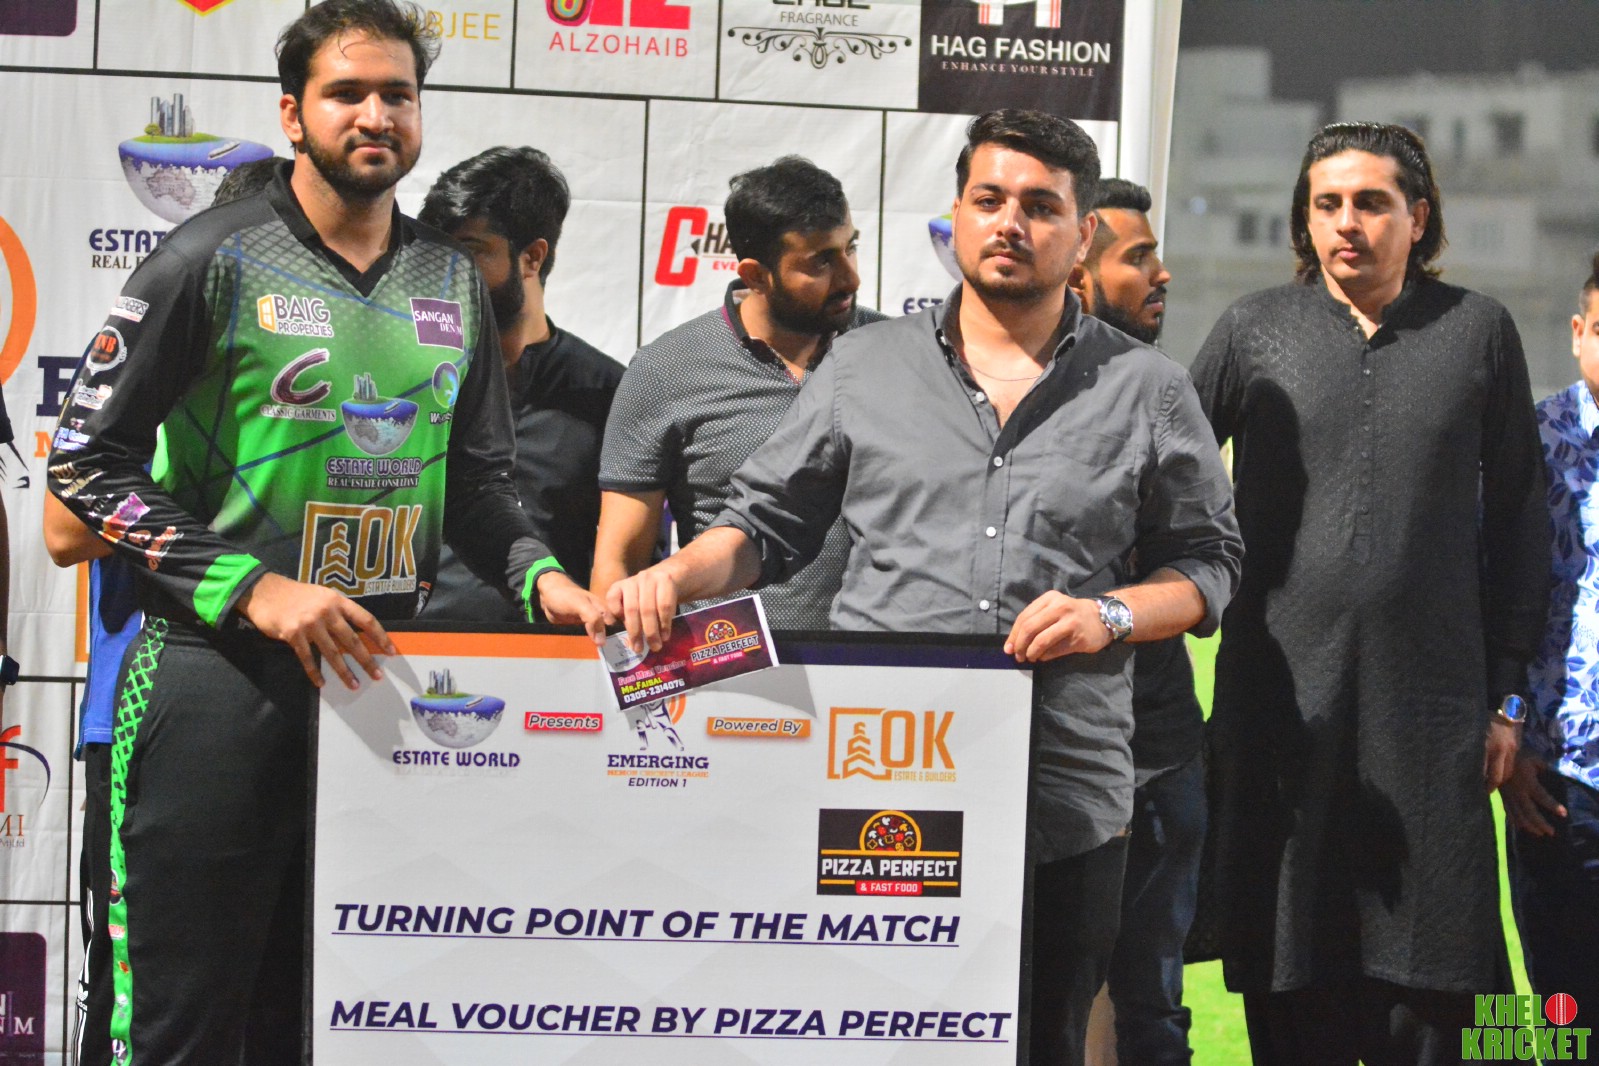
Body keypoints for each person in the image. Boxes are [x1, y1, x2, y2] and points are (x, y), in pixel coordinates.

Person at [604, 109, 1242, 1066]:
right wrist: (673, 574)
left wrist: (1108, 614)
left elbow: (1207, 563)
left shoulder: (1147, 388)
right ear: (957, 215)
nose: (1009, 223)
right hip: (880, 777)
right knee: (871, 1038)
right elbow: (762, 527)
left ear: (1079, 237)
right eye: (988, 199)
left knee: (1044, 1041)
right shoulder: (863, 366)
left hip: (1064, 786)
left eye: (1040, 207)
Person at [45, 2, 607, 1061]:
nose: (375, 115)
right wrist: (253, 588)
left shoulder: (450, 277)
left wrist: (545, 582)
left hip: (379, 682)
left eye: (398, 94)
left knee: (318, 1023)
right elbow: (81, 463)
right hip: (214, 674)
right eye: (346, 92)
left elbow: (480, 487)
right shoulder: (209, 257)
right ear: (292, 115)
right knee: (179, 1023)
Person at [1189, 121, 1549, 1065]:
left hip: (1431, 718)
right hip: (1279, 714)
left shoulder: (1477, 330)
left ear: (1416, 217)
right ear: (1304, 220)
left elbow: (1520, 519)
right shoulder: (1252, 329)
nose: (1346, 223)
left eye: (1370, 203)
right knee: (1287, 964)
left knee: (1435, 984)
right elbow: (1165, 475)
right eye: (1326, 204)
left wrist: (1508, 699)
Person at [593, 155, 884, 628]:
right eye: (820, 262)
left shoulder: (892, 352)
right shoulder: (665, 370)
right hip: (725, 661)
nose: (850, 277)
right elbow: (619, 565)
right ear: (755, 275)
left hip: (880, 660)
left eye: (849, 248)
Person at [1070, 178, 1202, 1065]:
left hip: (1158, 746)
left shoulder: (1165, 393)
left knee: (1152, 1010)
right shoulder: (997, 397)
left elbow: (1207, 561)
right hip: (1034, 752)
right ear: (1078, 273)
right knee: (1027, 996)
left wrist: (1116, 614)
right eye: (1138, 257)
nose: (1162, 273)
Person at [418, 146, 624, 613]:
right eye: (438, 253)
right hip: (404, 644)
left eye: (469, 251)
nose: (446, 274)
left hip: (556, 646)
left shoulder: (610, 392)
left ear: (532, 257)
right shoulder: (407, 377)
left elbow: (630, 562)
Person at [1507, 250, 1599, 1009]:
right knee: (1568, 1015)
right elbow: (1490, 600)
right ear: (1577, 332)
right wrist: (1506, 732)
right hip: (1560, 786)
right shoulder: (1531, 444)